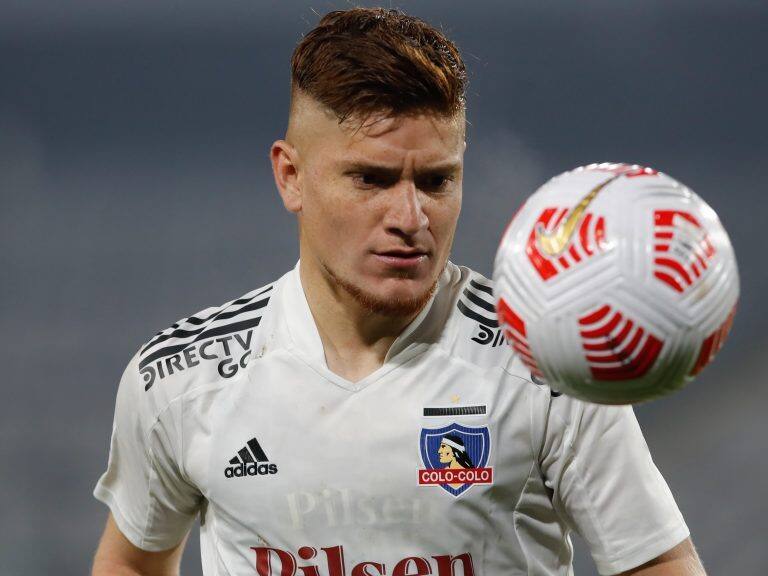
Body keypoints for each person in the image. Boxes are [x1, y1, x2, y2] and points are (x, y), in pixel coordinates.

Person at [91, 7, 706, 576]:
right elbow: (131, 561)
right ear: (291, 176)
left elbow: (658, 564)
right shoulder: (180, 380)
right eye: (371, 179)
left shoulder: (547, 362)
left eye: (437, 181)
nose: (411, 216)